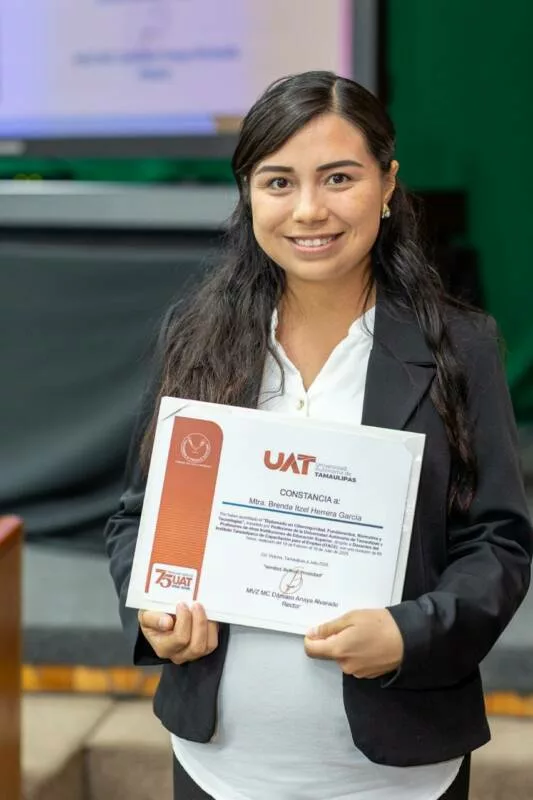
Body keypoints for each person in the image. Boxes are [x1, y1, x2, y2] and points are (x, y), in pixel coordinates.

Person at [104, 71, 533, 800]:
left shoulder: (459, 346)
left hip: (398, 777)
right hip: (219, 769)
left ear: (386, 184)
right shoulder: (198, 338)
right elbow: (138, 518)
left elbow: (497, 541)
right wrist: (154, 612)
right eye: (279, 182)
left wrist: (412, 633)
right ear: (247, 193)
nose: (309, 210)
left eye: (339, 178)